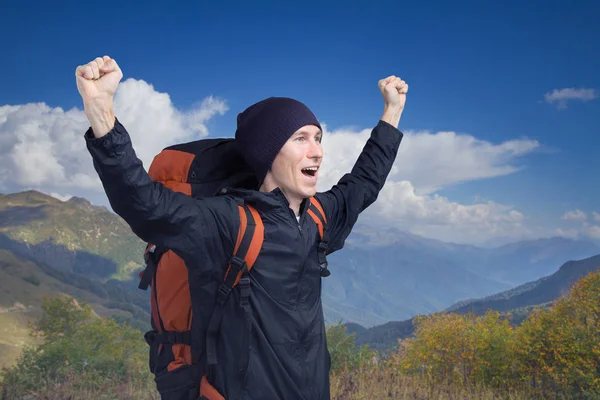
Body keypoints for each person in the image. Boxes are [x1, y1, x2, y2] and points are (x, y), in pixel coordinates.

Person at [76, 55, 408, 400]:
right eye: (300, 139)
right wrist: (101, 112)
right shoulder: (228, 222)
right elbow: (146, 205)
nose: (317, 152)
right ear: (268, 153)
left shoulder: (318, 217)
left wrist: (392, 112)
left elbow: (364, 183)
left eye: (318, 138)